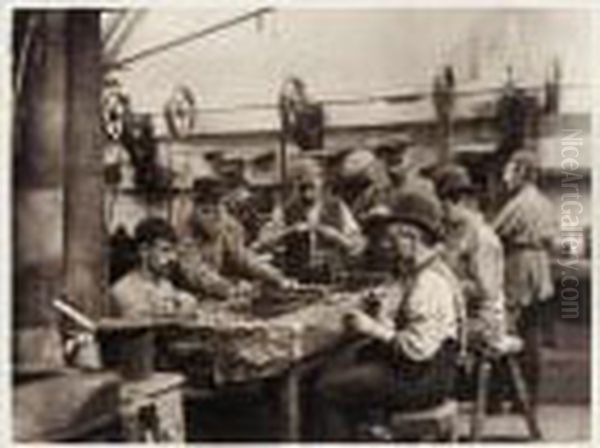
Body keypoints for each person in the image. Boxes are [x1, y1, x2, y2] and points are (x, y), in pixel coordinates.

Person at [313, 189, 464, 441]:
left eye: (393, 240)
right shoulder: (418, 271)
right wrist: (384, 312)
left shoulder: (430, 281)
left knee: (327, 387)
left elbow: (417, 349)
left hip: (426, 379)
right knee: (351, 362)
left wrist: (371, 328)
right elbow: (404, 318)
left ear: (412, 237)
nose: (388, 246)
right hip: (423, 370)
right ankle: (370, 432)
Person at [492, 150, 557, 408]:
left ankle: (502, 397)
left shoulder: (520, 203)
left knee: (508, 331)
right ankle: (527, 398)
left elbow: (495, 232)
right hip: (539, 268)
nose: (507, 176)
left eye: (511, 170)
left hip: (519, 266)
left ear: (522, 172)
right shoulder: (543, 202)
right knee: (531, 333)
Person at [177, 175, 293, 300]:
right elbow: (197, 272)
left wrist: (276, 276)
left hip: (221, 293)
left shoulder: (227, 224)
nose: (215, 215)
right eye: (206, 210)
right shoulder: (185, 233)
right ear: (196, 208)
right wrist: (228, 288)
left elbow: (243, 258)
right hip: (192, 297)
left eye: (218, 206)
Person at [253, 157, 365, 283]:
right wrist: (290, 232)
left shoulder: (337, 207)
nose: (307, 193)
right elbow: (262, 244)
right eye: (302, 186)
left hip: (333, 278)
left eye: (311, 185)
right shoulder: (285, 210)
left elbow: (357, 246)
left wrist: (335, 236)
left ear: (321, 181)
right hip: (297, 280)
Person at [434, 163, 508, 351]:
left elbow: (486, 291)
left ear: (459, 201)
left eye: (443, 205)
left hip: (482, 319)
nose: (439, 213)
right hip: (455, 311)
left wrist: (447, 287)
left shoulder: (482, 238)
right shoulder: (450, 231)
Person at [110, 217, 197, 318]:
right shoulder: (123, 291)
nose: (173, 258)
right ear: (144, 250)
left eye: (174, 251)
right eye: (165, 250)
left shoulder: (166, 285)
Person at [337, 149, 392, 226]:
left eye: (373, 168)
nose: (373, 171)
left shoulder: (375, 188)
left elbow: (380, 207)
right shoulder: (340, 190)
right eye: (369, 169)